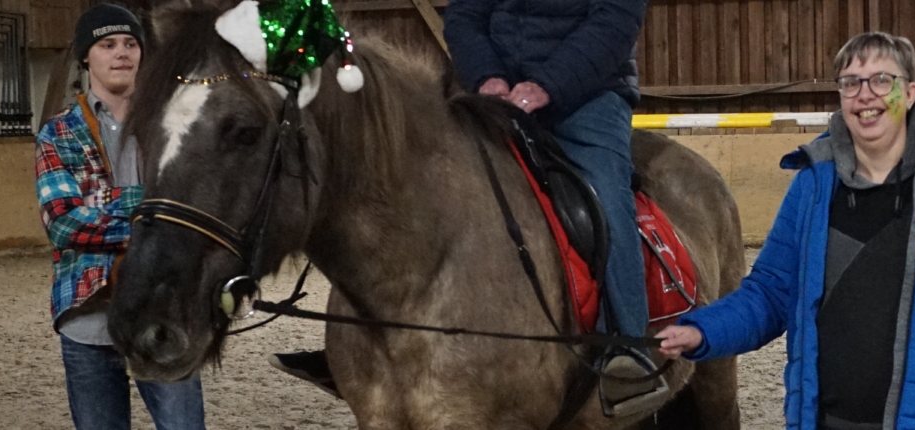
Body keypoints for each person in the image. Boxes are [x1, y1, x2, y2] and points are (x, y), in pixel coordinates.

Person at [270, 0, 660, 408]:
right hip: (493, 94)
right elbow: (464, 15)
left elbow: (615, 20)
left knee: (605, 198)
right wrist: (487, 77)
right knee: (399, 193)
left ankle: (627, 346)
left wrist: (545, 86)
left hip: (586, 97)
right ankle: (359, 349)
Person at [656, 32, 915, 429]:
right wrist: (702, 332)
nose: (865, 94)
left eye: (881, 80)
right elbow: (771, 292)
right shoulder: (812, 183)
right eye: (851, 82)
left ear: (909, 93)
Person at [37, 4, 207, 429]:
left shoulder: (174, 122)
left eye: (131, 44)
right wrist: (148, 208)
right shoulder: (58, 132)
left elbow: (195, 210)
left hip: (166, 309)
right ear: (86, 57)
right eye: (108, 44)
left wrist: (109, 207)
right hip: (88, 315)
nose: (122, 53)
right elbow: (63, 223)